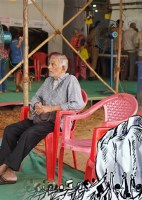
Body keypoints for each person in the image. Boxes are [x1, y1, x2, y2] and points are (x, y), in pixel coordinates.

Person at [0, 54, 85, 185]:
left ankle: (6, 167)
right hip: (39, 118)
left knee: (29, 134)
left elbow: (78, 104)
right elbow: (36, 97)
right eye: (49, 64)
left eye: (53, 65)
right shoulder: (48, 81)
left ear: (63, 68)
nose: (49, 67)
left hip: (55, 122)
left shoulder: (71, 81)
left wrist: (50, 108)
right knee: (10, 130)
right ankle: (6, 169)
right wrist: (37, 105)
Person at [0, 24, 9, 94]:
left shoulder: (1, 35)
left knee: (0, 72)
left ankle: (0, 89)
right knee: (3, 72)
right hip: (5, 56)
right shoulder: (8, 36)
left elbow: (1, 46)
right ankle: (5, 88)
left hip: (1, 55)